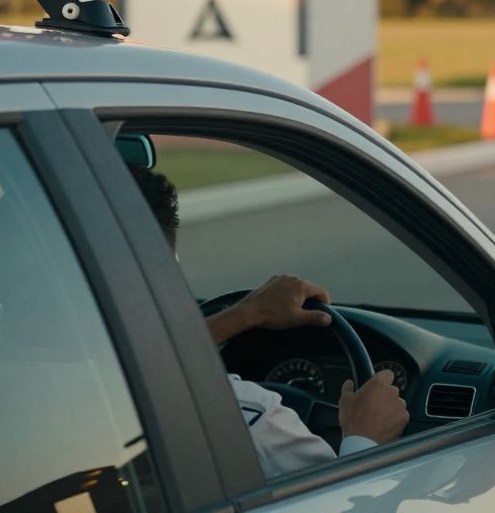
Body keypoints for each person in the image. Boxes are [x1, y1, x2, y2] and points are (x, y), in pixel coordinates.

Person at [129, 165, 410, 478]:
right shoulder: (246, 419)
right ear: (159, 271)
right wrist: (365, 439)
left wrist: (247, 314)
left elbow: (138, 363)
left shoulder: (88, 379)